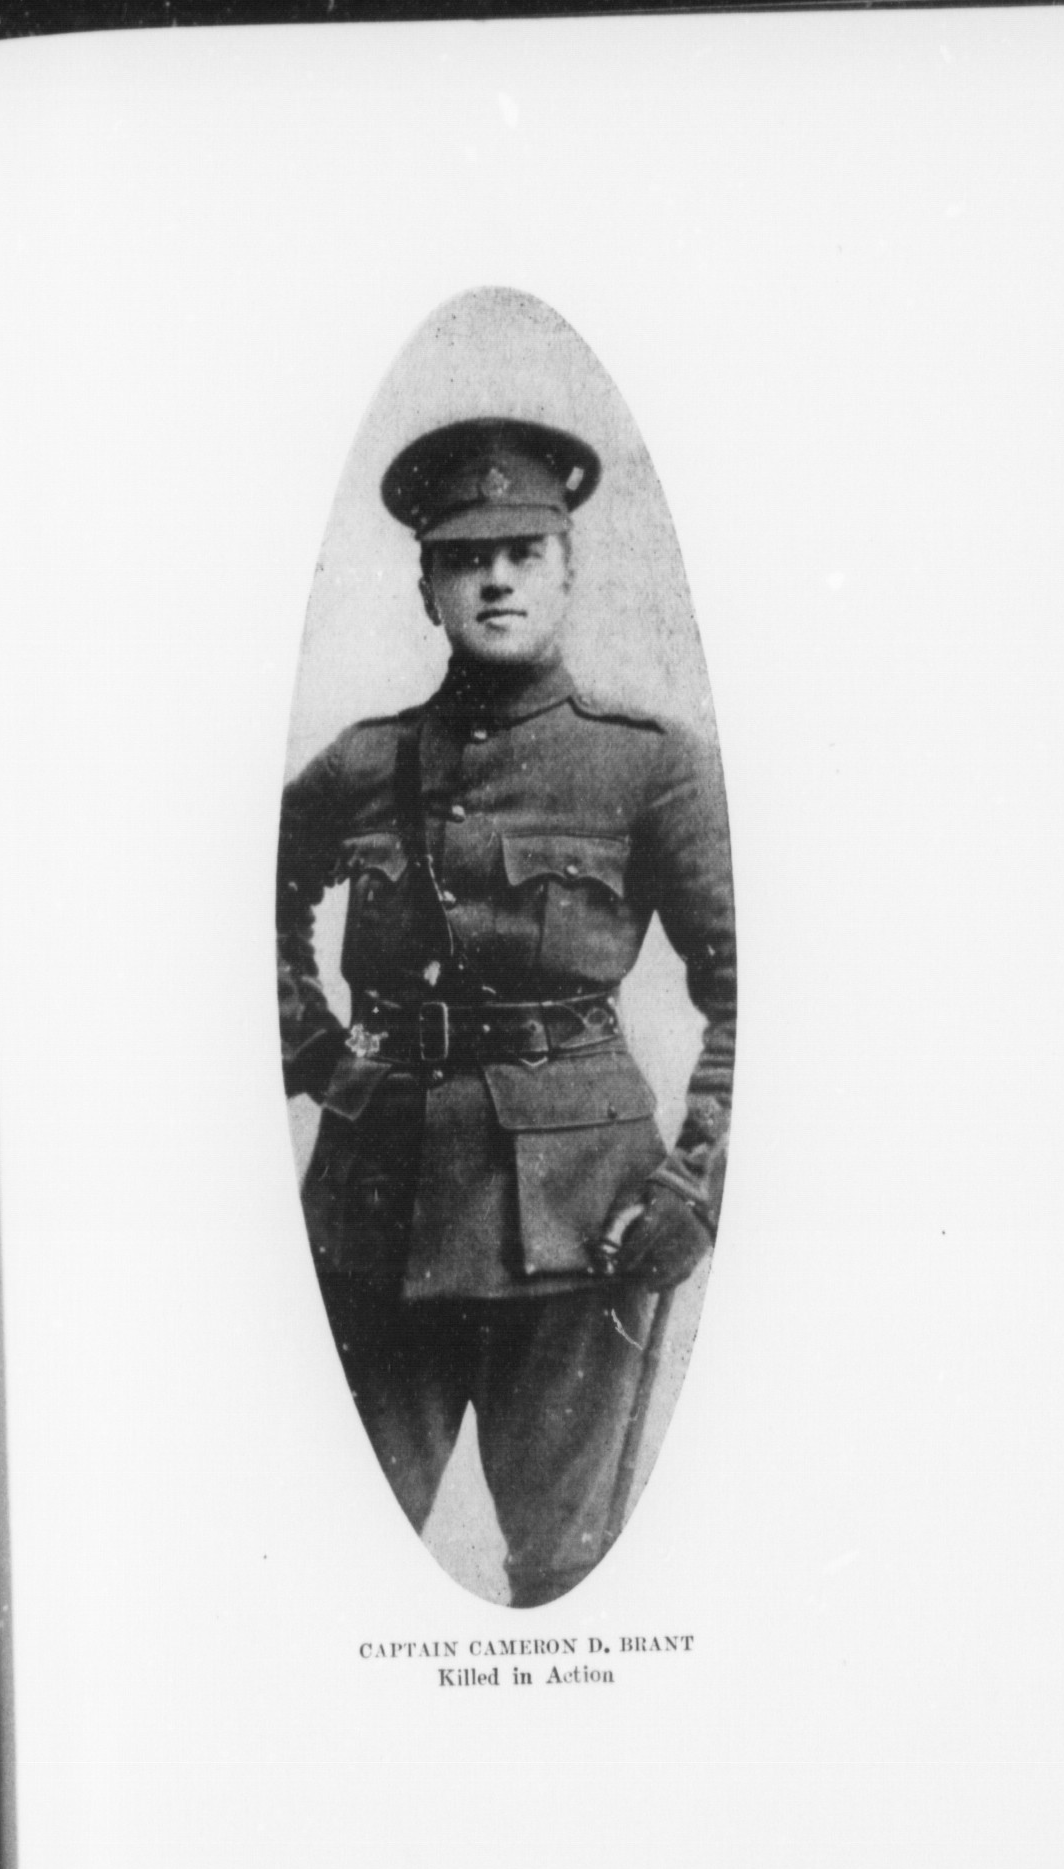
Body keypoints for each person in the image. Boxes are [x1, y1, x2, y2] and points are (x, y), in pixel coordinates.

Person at [277, 417, 734, 1606]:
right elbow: (234, 905)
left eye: (525, 552)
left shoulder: (648, 765)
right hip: (374, 1216)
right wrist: (317, 1052)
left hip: (580, 1227)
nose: (495, 579)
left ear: (568, 571)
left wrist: (694, 1185)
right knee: (335, 1552)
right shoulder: (362, 764)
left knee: (569, 1569)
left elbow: (749, 997)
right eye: (464, 558)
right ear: (425, 588)